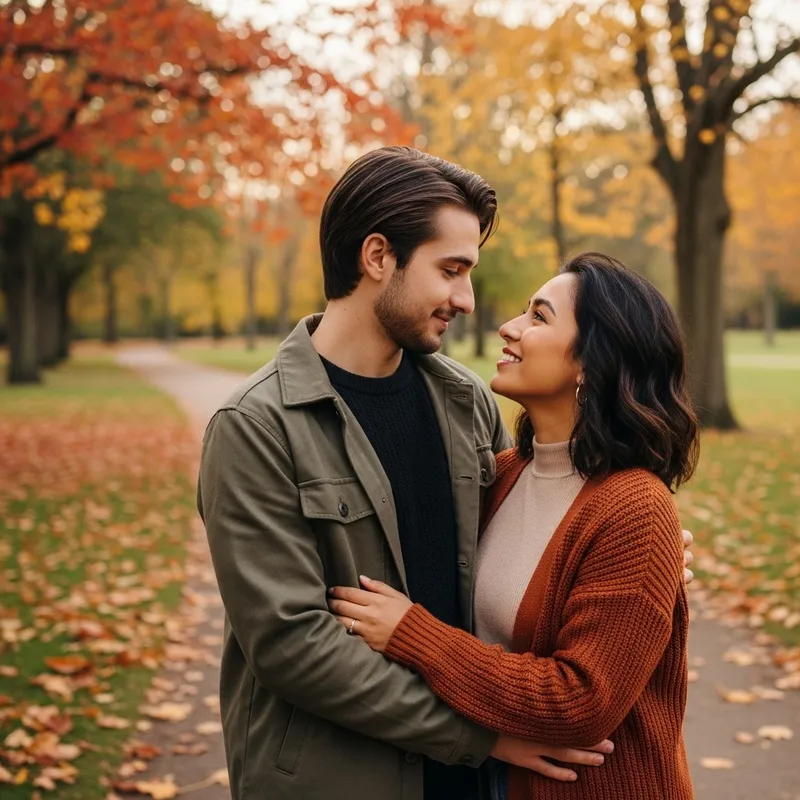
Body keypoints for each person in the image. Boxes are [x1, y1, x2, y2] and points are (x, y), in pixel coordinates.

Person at [198, 148, 693, 800]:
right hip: (341, 775)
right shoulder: (256, 425)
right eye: (451, 270)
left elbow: (545, 538)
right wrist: (480, 738)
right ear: (378, 258)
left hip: (476, 783)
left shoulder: (466, 404)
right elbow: (292, 645)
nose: (467, 300)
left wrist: (645, 558)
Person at [329, 252, 700, 799]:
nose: (508, 326)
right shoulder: (501, 476)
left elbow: (581, 703)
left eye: (539, 317)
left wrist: (415, 636)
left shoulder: (634, 508)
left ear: (591, 363)